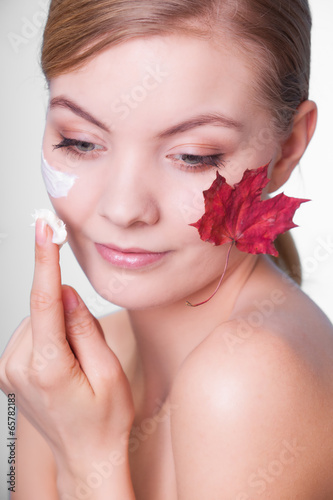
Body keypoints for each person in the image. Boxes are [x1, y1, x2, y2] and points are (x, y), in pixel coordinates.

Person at [1, 0, 333, 498]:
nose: (123, 208)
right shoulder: (73, 372)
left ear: (287, 147)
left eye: (193, 156)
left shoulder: (243, 381)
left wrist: (86, 458)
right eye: (80, 142)